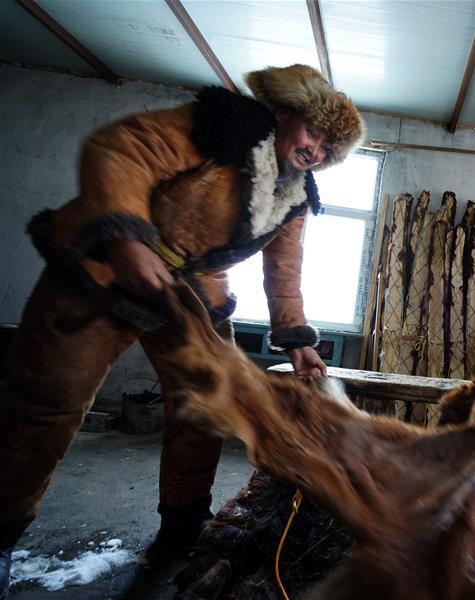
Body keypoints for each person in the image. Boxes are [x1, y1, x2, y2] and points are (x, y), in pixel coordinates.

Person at [0, 64, 364, 595]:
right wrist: (127, 239)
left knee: (205, 406)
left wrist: (299, 341)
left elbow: (283, 272)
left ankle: (183, 522)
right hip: (102, 267)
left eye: (330, 149)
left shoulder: (294, 197)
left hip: (192, 293)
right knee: (48, 402)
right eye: (315, 133)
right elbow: (121, 149)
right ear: (285, 113)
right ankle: (3, 531)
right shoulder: (221, 125)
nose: (318, 150)